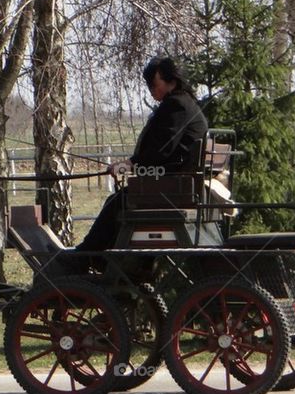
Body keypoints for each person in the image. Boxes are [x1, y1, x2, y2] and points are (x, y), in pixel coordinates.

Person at [76, 56, 208, 253]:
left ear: (171, 80)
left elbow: (160, 150)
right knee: (117, 200)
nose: (151, 90)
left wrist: (128, 165)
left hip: (172, 185)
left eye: (154, 84)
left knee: (117, 202)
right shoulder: (184, 103)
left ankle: (86, 255)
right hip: (176, 182)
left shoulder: (176, 105)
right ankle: (100, 257)